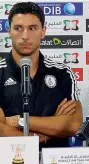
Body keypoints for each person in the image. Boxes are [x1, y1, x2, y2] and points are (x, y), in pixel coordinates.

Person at [0, 2, 83, 149]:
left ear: (43, 31)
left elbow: (72, 124)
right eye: (18, 28)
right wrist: (50, 131)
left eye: (32, 28)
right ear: (9, 30)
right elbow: (1, 131)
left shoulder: (63, 73)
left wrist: (18, 121)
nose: (25, 36)